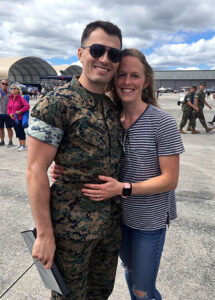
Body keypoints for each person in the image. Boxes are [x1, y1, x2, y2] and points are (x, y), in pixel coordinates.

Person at [52, 48, 184, 300]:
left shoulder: (161, 122)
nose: (126, 81)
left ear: (146, 82)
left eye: (135, 76)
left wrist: (123, 188)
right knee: (130, 272)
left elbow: (170, 179)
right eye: (121, 75)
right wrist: (64, 167)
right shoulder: (109, 115)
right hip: (116, 218)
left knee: (142, 289)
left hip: (148, 221)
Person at [26, 20, 123, 300]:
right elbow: (35, 171)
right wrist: (44, 234)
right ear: (81, 54)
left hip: (108, 228)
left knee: (101, 293)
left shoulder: (111, 107)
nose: (105, 59)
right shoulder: (56, 104)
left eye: (114, 54)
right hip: (71, 232)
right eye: (97, 50)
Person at [7, 84, 30, 151]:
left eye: (14, 88)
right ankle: (20, 144)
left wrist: (20, 111)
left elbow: (27, 106)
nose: (12, 89)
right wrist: (10, 114)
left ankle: (23, 146)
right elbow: (8, 108)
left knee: (20, 131)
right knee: (17, 131)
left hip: (19, 118)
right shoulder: (10, 98)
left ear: (17, 90)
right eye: (11, 88)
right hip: (13, 118)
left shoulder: (20, 98)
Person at [0, 79, 14, 147]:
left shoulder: (10, 93)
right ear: (0, 84)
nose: (4, 85)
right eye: (3, 83)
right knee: (1, 128)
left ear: (8, 85)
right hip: (0, 114)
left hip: (8, 114)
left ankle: (10, 141)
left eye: (6, 84)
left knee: (9, 128)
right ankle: (2, 141)